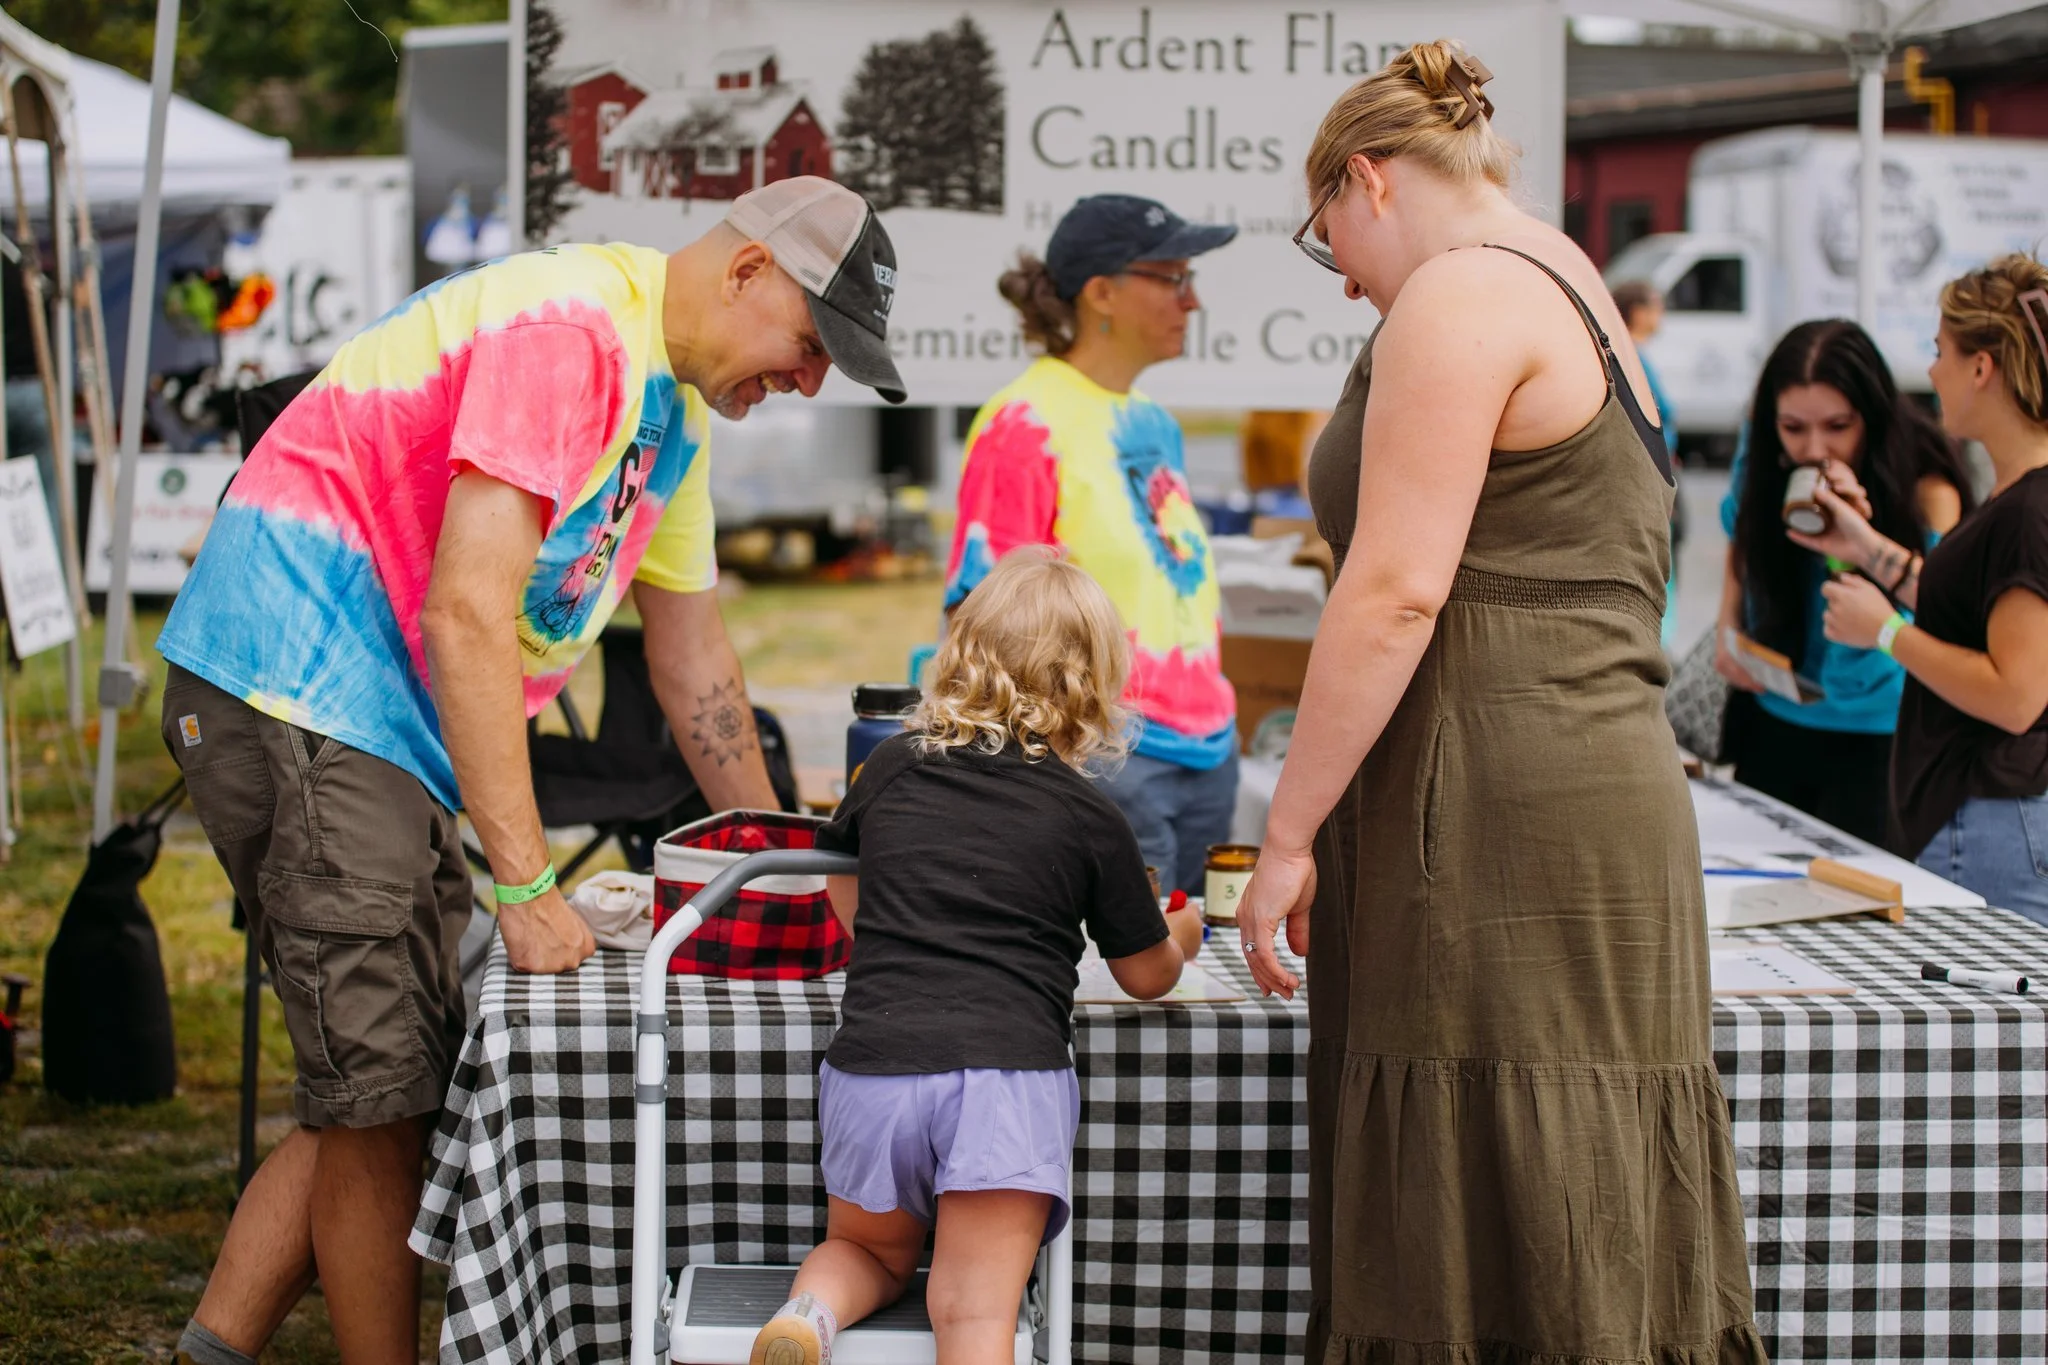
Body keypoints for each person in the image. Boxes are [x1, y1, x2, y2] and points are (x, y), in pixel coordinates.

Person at [156, 177, 907, 1365]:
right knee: (382, 1092)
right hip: (290, 684)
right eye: (812, 346)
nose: (810, 382)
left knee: (397, 1065)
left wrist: (782, 857)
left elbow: (691, 651)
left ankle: (210, 1348)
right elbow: (465, 613)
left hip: (372, 724)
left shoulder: (677, 410)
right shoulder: (572, 336)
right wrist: (521, 886)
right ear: (750, 270)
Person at [1230, 40, 1765, 1363]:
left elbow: (1397, 590)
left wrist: (1287, 834)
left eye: (1329, 235)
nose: (1343, 273)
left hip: (1496, 812)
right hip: (1577, 788)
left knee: (1488, 1185)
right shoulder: (1569, 278)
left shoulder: (1460, 297)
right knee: (1578, 1200)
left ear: (1370, 179)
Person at [751, 550, 1195, 1365]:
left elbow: (841, 891)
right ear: (1092, 686)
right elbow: (1144, 973)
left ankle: (809, 1313)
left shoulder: (888, 767)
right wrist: (1184, 935)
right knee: (971, 1311)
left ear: (960, 654)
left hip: (875, 1067)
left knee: (869, 1252)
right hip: (1005, 1082)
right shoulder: (1090, 816)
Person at [944, 194, 1240, 895]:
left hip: (1208, 750)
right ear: (1102, 292)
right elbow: (985, 624)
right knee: (1126, 987)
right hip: (1110, 758)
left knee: (1195, 983)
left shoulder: (1155, 423)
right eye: (1173, 278)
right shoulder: (1022, 423)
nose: (1192, 301)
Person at [1796, 255, 2048, 924]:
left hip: (1990, 816)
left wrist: (1884, 631)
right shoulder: (2017, 499)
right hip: (1985, 815)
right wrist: (1867, 549)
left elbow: (2017, 695)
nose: (1931, 371)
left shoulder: (2028, 511)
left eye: (1941, 350)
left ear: (1981, 367)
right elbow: (1967, 611)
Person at [1714, 319, 1973, 844]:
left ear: (1871, 418)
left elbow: (1937, 612)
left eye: (1837, 426)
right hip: (1774, 716)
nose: (1814, 448)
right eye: (1793, 427)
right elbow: (1741, 538)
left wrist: (1854, 543)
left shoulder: (1925, 483)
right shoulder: (1763, 460)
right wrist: (1728, 625)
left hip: (1876, 732)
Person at [1611, 279, 1684, 646]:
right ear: (1637, 312)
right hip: (1651, 476)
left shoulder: (1633, 353)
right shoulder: (1631, 356)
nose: (1662, 315)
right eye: (1657, 306)